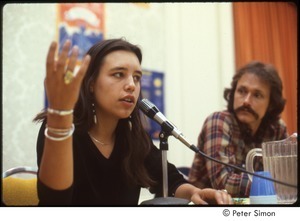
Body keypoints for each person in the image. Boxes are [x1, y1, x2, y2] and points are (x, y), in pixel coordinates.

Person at [33, 38, 232, 206]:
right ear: (91, 83)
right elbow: (54, 202)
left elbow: (170, 180)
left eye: (136, 77)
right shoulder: (60, 129)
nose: (131, 85)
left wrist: (194, 193)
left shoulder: (133, 138)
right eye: (118, 74)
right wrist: (59, 115)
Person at [188, 61, 288, 198]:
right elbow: (224, 183)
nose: (246, 101)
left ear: (271, 104)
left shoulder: (277, 129)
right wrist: (275, 185)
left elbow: (287, 178)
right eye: (242, 91)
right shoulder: (219, 121)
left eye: (257, 95)